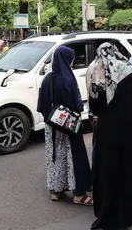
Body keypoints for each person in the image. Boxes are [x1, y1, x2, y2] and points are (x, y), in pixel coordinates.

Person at [87, 42, 132, 230]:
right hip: (127, 127)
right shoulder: (127, 69)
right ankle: (126, 213)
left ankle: (106, 210)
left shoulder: (94, 70)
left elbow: (94, 106)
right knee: (127, 167)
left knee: (107, 168)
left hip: (106, 128)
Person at [36, 46, 93, 205]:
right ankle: (79, 194)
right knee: (73, 159)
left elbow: (41, 105)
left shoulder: (47, 79)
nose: (73, 62)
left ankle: (56, 191)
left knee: (55, 157)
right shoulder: (69, 79)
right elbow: (77, 105)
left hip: (51, 127)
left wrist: (52, 118)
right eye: (72, 58)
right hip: (69, 127)